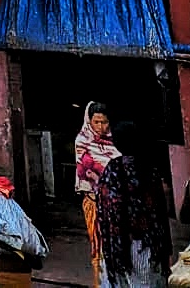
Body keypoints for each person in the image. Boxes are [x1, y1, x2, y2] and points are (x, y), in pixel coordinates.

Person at [93, 123, 171, 288]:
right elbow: (161, 211)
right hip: (150, 243)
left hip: (120, 245)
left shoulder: (113, 170)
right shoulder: (150, 169)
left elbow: (105, 210)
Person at [74, 101, 121, 288]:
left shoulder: (115, 142)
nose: (101, 127)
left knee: (116, 247)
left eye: (105, 122)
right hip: (94, 202)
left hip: (115, 204)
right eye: (97, 122)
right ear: (89, 121)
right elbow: (85, 171)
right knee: (98, 246)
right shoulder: (83, 141)